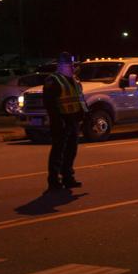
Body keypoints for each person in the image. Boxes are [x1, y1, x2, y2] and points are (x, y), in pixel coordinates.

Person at [43, 52, 88, 191]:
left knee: (71, 151)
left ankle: (68, 178)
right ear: (61, 66)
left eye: (73, 65)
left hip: (73, 120)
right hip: (61, 122)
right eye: (69, 65)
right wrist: (57, 122)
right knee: (58, 152)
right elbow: (50, 104)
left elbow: (80, 100)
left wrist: (85, 116)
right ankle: (53, 181)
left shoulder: (74, 80)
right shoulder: (53, 80)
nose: (72, 68)